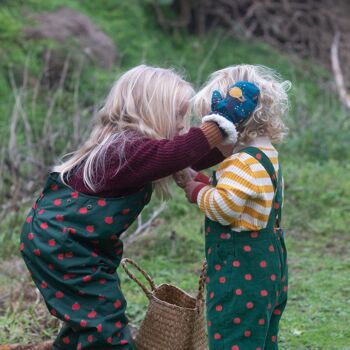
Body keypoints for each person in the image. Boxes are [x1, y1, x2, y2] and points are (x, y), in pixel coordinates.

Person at [19, 64, 237, 349]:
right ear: (153, 112)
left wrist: (232, 142)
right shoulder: (124, 150)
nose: (185, 125)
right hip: (62, 247)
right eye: (179, 115)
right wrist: (219, 125)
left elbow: (187, 158)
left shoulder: (137, 152)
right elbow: (177, 154)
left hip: (77, 246)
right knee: (103, 324)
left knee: (90, 318)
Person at [183, 65, 291, 350]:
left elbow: (225, 207)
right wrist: (207, 181)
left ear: (233, 122)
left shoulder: (240, 162)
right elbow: (243, 198)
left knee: (233, 335)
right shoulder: (266, 155)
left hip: (242, 272)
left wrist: (197, 192)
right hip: (271, 267)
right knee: (261, 338)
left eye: (213, 126)